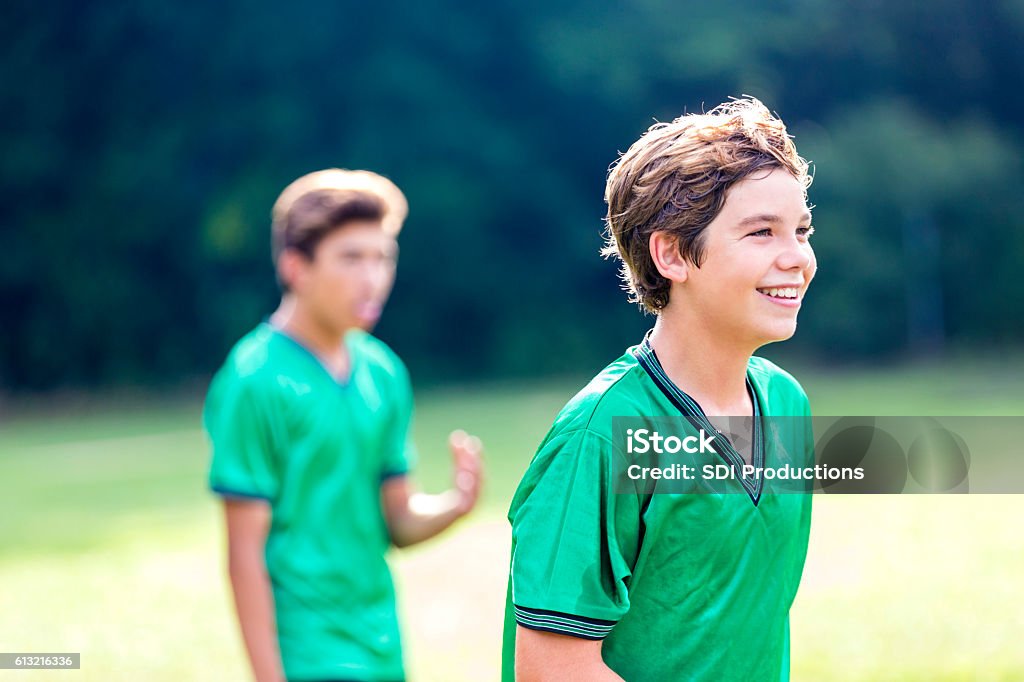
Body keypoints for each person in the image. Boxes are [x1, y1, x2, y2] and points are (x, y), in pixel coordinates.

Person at [502, 98, 817, 681]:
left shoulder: (787, 404)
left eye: (801, 230)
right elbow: (552, 669)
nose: (797, 257)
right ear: (672, 253)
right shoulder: (601, 433)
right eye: (761, 232)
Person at [203, 169, 483, 682]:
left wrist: (455, 506)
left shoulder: (384, 372)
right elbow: (243, 556)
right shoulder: (254, 380)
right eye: (351, 258)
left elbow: (397, 520)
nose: (372, 277)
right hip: (304, 655)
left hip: (382, 649)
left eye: (383, 258)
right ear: (296, 267)